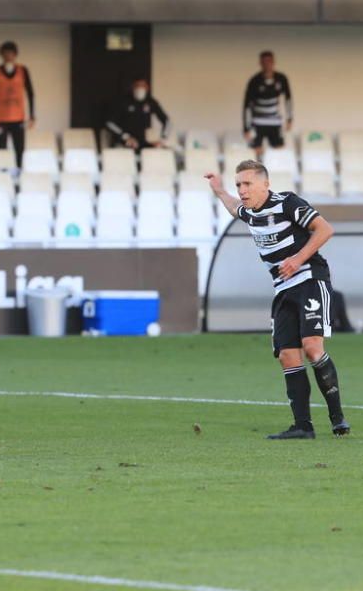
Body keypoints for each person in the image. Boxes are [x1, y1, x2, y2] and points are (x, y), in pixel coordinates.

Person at [205, 160, 349, 438]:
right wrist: (220, 191)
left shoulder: (287, 203)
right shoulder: (249, 212)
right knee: (287, 355)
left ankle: (337, 418)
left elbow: (324, 229)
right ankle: (303, 426)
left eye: (247, 184)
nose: (243, 190)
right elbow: (235, 208)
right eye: (239, 185)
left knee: (312, 347)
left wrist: (297, 259)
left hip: (309, 279)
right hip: (283, 288)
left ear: (265, 184)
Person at [0, 41, 35, 168]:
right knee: (0, 152)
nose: (8, 56)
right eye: (5, 53)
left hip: (18, 119)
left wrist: (32, 116)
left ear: (15, 55)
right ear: (1, 55)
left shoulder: (23, 71)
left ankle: (19, 176)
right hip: (0, 120)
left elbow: (31, 93)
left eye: (11, 53)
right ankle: (2, 176)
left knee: (20, 151)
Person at [243, 51, 293, 156]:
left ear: (273, 62)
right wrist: (246, 128)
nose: (267, 64)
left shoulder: (281, 79)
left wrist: (289, 119)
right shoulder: (254, 81)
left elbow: (288, 100)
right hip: (258, 123)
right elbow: (247, 105)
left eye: (269, 61)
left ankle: (276, 171)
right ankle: (257, 172)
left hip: (275, 122)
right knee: (255, 153)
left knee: (279, 152)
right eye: (264, 62)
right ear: (260, 63)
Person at [105, 79, 171, 150]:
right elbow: (109, 123)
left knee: (162, 151)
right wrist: (125, 137)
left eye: (143, 86)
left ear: (147, 88)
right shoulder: (123, 101)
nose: (140, 88)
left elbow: (167, 121)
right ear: (132, 87)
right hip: (122, 141)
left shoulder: (150, 102)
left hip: (141, 142)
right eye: (137, 86)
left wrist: (162, 139)